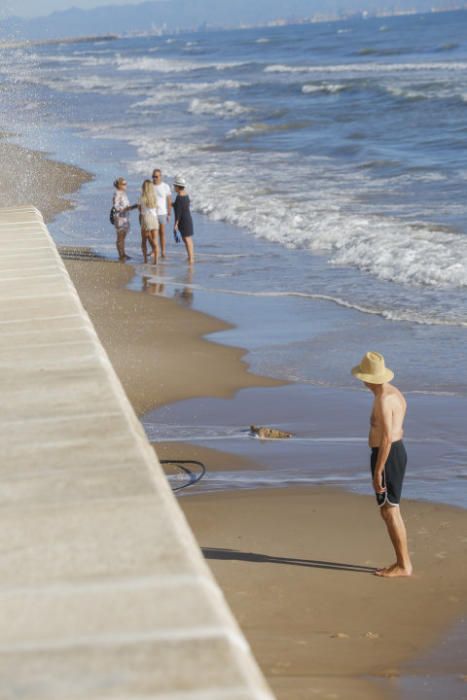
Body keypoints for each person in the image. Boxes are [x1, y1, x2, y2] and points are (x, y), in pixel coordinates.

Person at [351, 351, 413, 578]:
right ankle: (402, 562)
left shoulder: (384, 399)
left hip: (387, 456)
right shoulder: (394, 393)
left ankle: (403, 565)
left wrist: (378, 471)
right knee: (388, 510)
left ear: (369, 378)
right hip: (393, 454)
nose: (362, 381)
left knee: (390, 510)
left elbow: (387, 437)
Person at [112, 177, 136, 261]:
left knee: (123, 237)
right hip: (120, 217)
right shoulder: (117, 193)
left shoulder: (123, 193)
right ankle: (121, 255)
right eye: (124, 184)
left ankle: (123, 253)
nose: (126, 185)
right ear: (119, 185)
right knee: (120, 237)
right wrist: (127, 208)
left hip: (125, 217)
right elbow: (116, 206)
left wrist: (132, 207)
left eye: (126, 184)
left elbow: (126, 206)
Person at [173, 175, 194, 264]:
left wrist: (176, 224)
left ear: (178, 187)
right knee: (187, 239)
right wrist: (174, 205)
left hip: (183, 220)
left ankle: (191, 258)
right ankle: (190, 257)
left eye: (175, 186)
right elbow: (182, 207)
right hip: (187, 218)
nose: (174, 188)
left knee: (187, 239)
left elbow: (179, 212)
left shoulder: (179, 197)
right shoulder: (186, 195)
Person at [151, 168, 172, 258]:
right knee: (153, 233)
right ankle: (154, 251)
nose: (154, 178)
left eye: (156, 176)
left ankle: (163, 252)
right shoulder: (150, 186)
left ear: (160, 176)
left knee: (162, 233)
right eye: (153, 176)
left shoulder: (165, 186)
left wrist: (169, 213)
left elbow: (169, 200)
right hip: (152, 213)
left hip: (162, 213)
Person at [138, 179, 159, 264]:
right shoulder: (154, 198)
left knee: (144, 240)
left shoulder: (142, 198)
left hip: (146, 218)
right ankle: (155, 260)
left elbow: (140, 210)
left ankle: (145, 260)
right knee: (155, 239)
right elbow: (156, 209)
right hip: (154, 219)